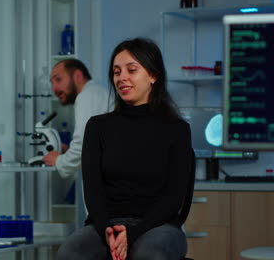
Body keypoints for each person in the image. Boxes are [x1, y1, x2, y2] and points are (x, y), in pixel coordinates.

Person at [57, 38, 193, 260]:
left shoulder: (177, 129)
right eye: (116, 72)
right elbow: (93, 192)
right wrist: (107, 231)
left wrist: (133, 233)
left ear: (153, 75)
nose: (122, 78)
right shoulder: (98, 127)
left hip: (158, 226)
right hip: (106, 225)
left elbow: (173, 199)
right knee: (69, 253)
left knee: (149, 254)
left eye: (132, 70)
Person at [42, 59, 112, 179]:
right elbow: (94, 146)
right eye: (52, 83)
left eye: (58, 79)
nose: (54, 89)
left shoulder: (87, 96)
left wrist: (59, 160)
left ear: (78, 76)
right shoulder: (96, 93)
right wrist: (70, 151)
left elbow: (83, 146)